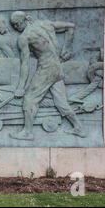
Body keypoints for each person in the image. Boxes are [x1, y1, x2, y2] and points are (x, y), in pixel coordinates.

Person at [9, 11, 86, 140]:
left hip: (46, 69)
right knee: (61, 102)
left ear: (24, 20)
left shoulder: (24, 37)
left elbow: (25, 64)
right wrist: (66, 49)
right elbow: (71, 26)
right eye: (14, 25)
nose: (16, 27)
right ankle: (79, 127)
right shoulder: (45, 24)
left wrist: (20, 87)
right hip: (57, 68)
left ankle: (27, 132)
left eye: (17, 24)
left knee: (29, 99)